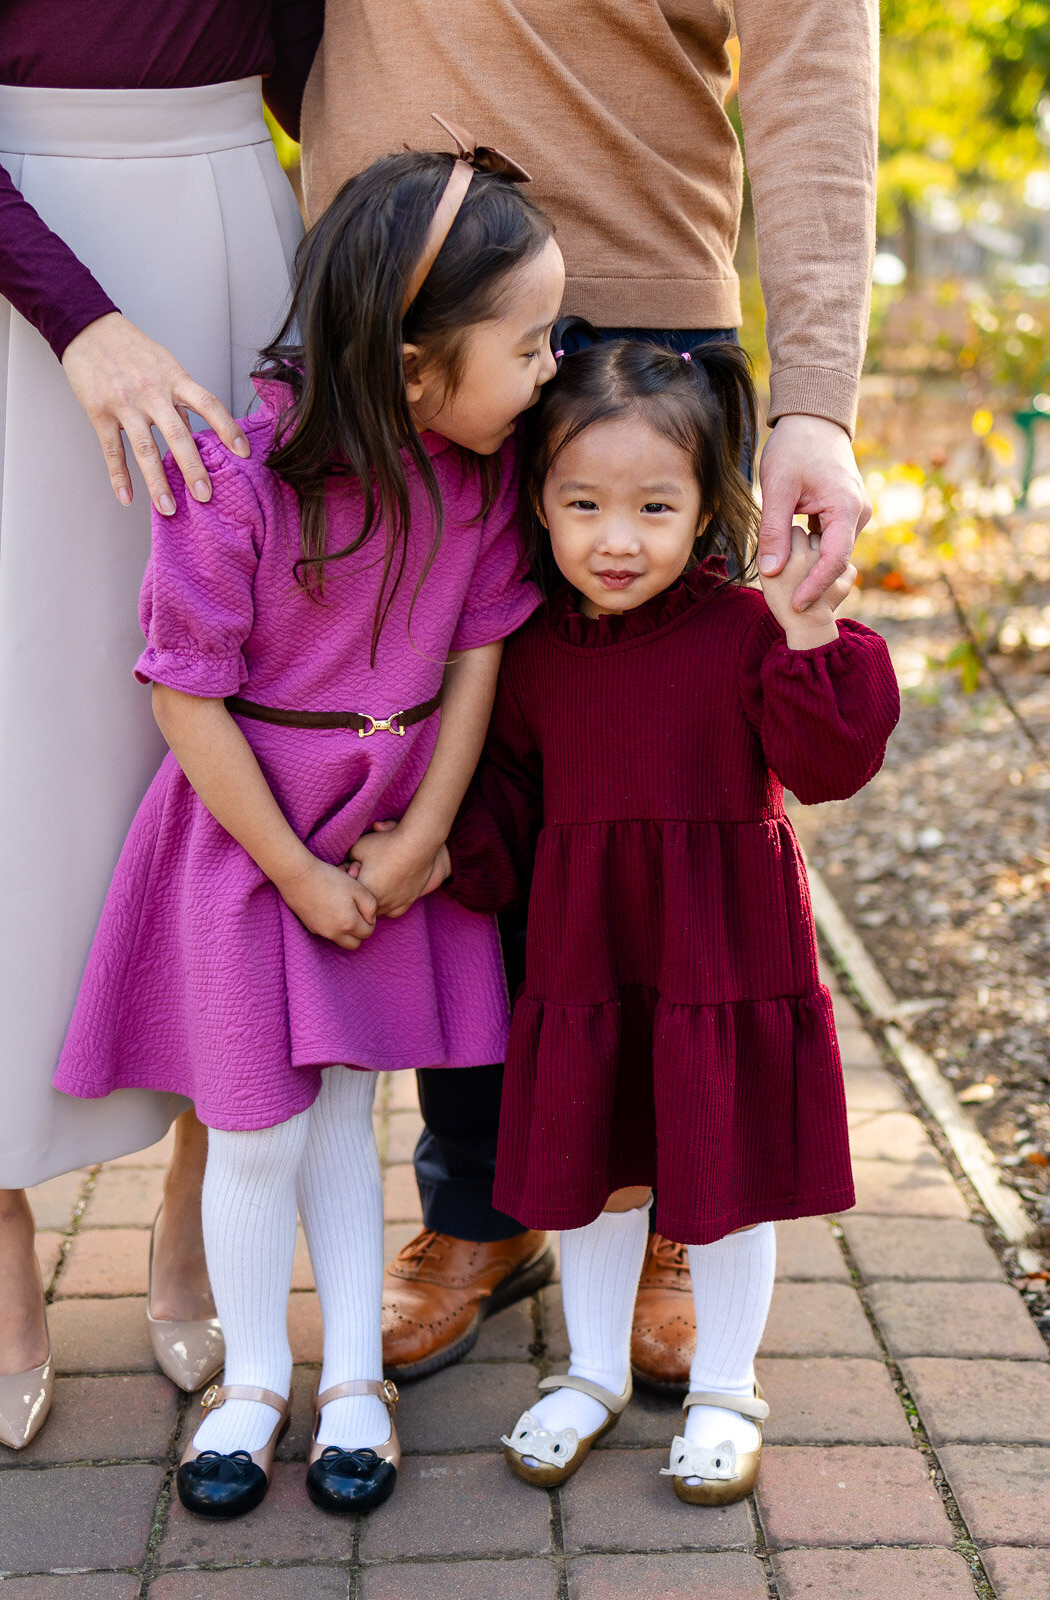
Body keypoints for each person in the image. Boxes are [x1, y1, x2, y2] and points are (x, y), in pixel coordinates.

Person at [298, 0, 879, 1386]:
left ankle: (680, 1205)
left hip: (640, 320)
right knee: (469, 796)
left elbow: (812, 69)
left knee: (666, 807)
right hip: (401, 317)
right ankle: (482, 1206)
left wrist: (815, 400)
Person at [53, 139, 566, 1518]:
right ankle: (251, 1387)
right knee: (256, 1128)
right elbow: (183, 693)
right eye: (526, 345)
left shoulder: (476, 480)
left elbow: (475, 658)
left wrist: (423, 837)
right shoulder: (236, 474)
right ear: (412, 371)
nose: (547, 373)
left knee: (347, 1105)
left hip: (386, 832)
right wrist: (290, 868)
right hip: (248, 846)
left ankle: (349, 1382)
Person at [439, 336, 900, 1502]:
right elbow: (503, 799)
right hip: (587, 954)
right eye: (582, 502)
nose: (615, 537)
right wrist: (429, 841)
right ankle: (591, 1370)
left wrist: (805, 626)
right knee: (592, 1161)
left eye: (654, 504)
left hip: (719, 948)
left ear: (704, 507)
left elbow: (829, 760)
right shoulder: (534, 652)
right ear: (537, 500)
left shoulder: (744, 630)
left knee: (721, 1167)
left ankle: (725, 1386)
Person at [0, 2, 323, 1451]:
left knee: (231, 722)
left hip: (237, 240)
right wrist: (82, 320)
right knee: (17, 741)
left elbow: (327, 63)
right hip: (12, 272)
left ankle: (198, 1199)